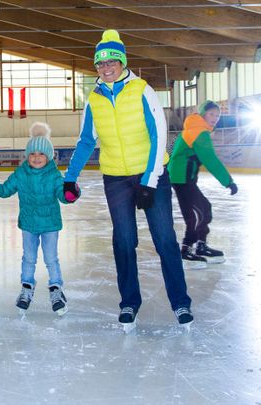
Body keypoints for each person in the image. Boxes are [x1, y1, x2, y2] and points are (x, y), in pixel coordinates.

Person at [62, 29, 193, 330]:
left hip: (152, 175)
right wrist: (70, 178)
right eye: (100, 63)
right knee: (124, 241)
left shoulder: (142, 89)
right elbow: (85, 141)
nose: (106, 68)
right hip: (116, 179)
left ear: (122, 62)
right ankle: (129, 303)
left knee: (164, 240)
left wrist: (149, 180)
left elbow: (159, 135)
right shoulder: (94, 99)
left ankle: (181, 302)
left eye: (111, 62)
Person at [0, 123, 72, 315]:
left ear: (48, 156)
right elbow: (5, 190)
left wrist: (72, 194)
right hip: (29, 224)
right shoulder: (21, 174)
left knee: (51, 259)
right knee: (29, 258)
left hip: (50, 225)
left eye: (41, 154)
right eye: (32, 154)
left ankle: (56, 290)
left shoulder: (54, 175)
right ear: (27, 156)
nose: (36, 158)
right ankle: (26, 288)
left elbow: (63, 195)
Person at [168, 100, 238, 268]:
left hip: (183, 177)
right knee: (197, 213)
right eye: (211, 114)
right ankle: (186, 250)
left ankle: (200, 246)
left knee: (204, 208)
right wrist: (228, 181)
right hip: (182, 178)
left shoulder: (195, 128)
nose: (215, 118)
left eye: (217, 115)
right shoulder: (199, 132)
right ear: (202, 114)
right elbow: (211, 160)